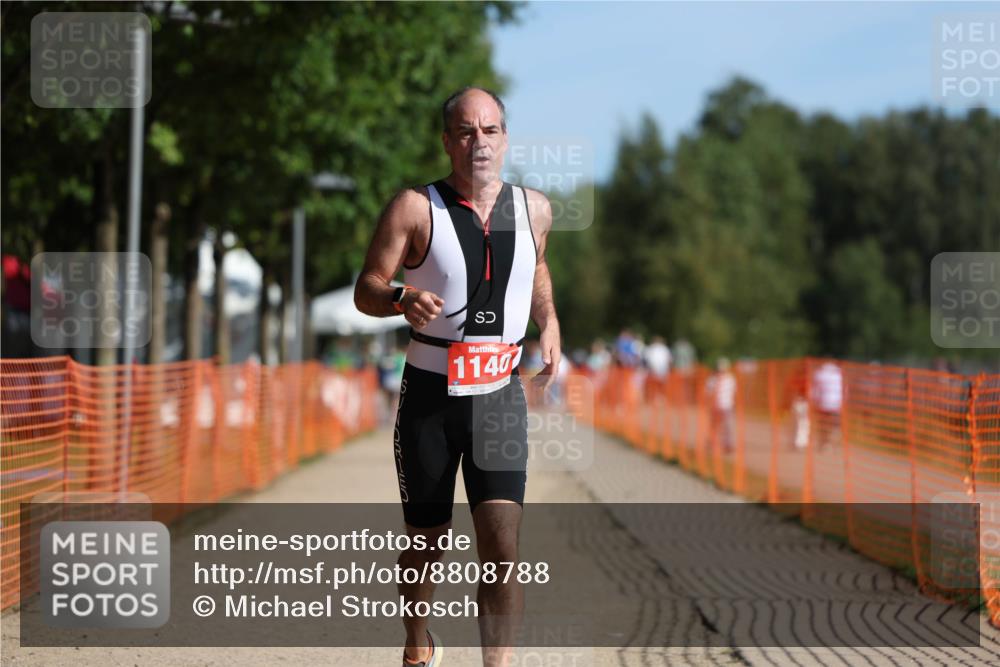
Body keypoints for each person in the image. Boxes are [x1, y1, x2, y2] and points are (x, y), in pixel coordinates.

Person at [354, 87, 560, 667]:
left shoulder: (534, 209)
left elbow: (537, 269)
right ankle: (417, 640)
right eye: (466, 132)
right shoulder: (414, 208)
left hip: (498, 397)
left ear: (505, 138)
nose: (480, 143)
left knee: (501, 546)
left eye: (490, 130)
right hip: (429, 398)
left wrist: (549, 321)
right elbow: (366, 286)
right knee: (426, 542)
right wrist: (399, 296)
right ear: (447, 141)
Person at [706, 357, 737, 453]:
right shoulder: (712, 379)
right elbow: (707, 392)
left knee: (728, 426)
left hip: (727, 405)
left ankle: (728, 445)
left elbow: (734, 391)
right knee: (714, 425)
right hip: (715, 406)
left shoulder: (730, 379)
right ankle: (711, 442)